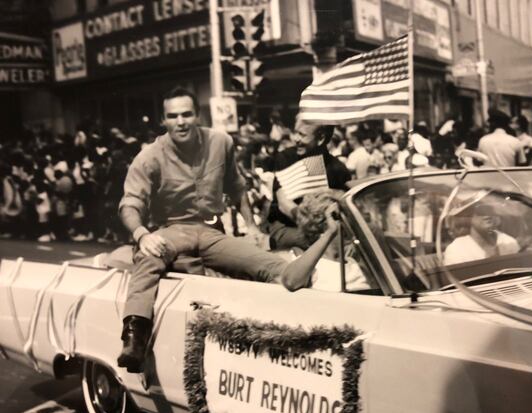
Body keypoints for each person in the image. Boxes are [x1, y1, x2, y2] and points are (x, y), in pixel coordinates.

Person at [117, 87, 288, 372]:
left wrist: (253, 227)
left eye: (187, 114)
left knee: (270, 264)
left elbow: (236, 187)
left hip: (211, 231)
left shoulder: (221, 142)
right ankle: (135, 337)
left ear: (198, 115)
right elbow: (130, 203)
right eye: (173, 116)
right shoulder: (149, 157)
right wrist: (142, 235)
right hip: (171, 230)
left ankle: (282, 332)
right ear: (164, 120)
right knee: (147, 259)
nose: (181, 121)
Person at [268, 117, 351, 250]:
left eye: (302, 135)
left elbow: (347, 202)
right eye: (295, 133)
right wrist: (312, 228)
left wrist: (333, 194)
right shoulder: (285, 158)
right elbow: (284, 204)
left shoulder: (338, 169)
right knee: (327, 246)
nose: (295, 139)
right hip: (288, 227)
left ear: (321, 139)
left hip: (327, 230)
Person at [280, 191, 370, 292]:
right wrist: (331, 232)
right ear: (321, 227)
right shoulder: (313, 266)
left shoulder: (354, 262)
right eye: (340, 219)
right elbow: (290, 282)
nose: (348, 226)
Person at [444, 198, 519, 265]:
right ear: (468, 215)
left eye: (491, 210)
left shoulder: (509, 242)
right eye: (481, 210)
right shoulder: (457, 249)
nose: (488, 216)